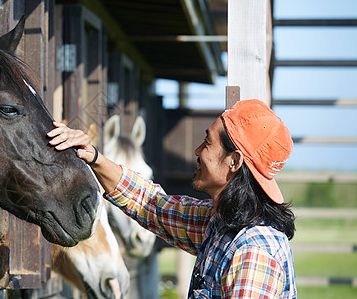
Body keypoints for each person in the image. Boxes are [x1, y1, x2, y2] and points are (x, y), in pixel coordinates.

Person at [47, 99, 297, 298]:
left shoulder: (253, 252)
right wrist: (94, 157)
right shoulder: (221, 223)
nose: (197, 152)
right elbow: (152, 206)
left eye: (207, 143)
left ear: (234, 162)